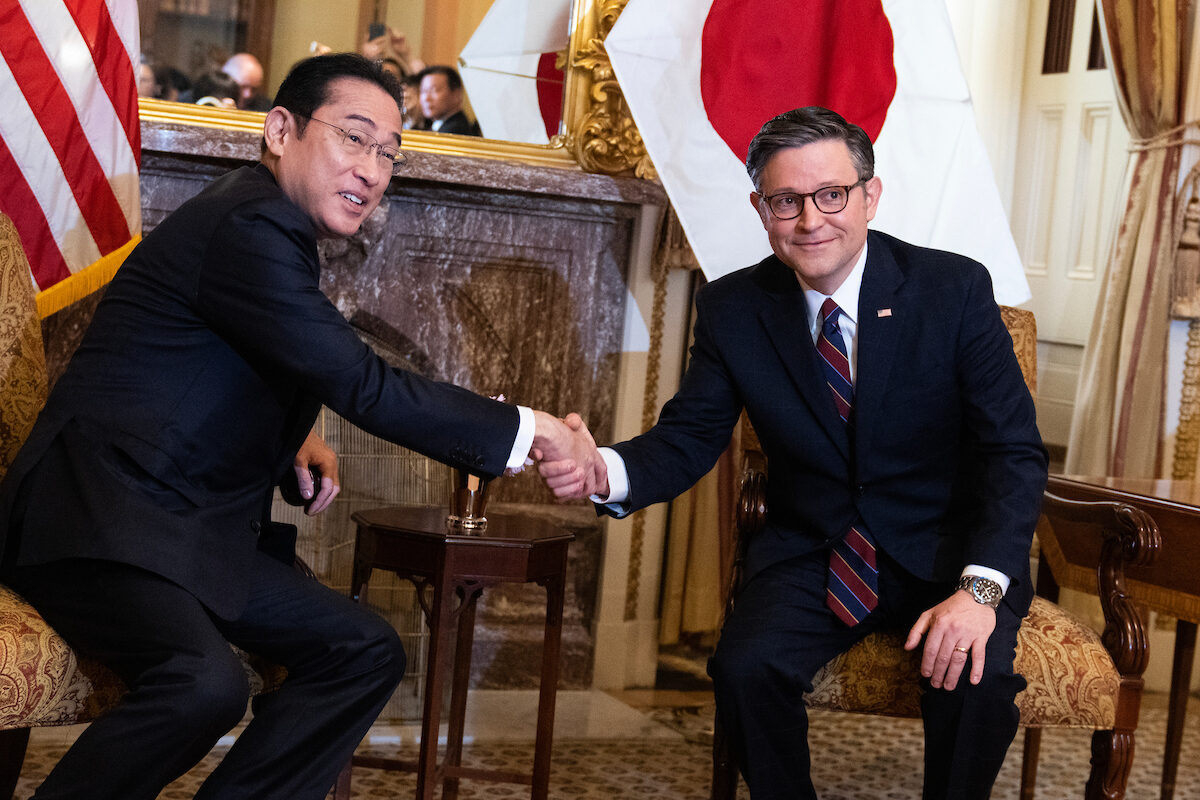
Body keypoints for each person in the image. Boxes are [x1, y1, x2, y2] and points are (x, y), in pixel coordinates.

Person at [0, 52, 602, 800]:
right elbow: (361, 380)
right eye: (354, 138)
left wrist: (291, 436)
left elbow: (214, 365)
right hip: (99, 520)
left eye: (389, 153)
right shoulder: (248, 223)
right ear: (280, 129)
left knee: (362, 649)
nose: (374, 171)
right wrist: (532, 429)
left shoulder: (269, 221)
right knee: (202, 684)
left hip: (182, 523)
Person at [541, 107, 1048, 799]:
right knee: (744, 669)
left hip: (947, 548)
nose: (811, 220)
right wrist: (602, 468)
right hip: (817, 551)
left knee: (974, 681)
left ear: (870, 196)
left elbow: (1012, 452)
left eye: (832, 195)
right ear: (761, 208)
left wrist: (980, 590)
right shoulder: (734, 308)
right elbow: (689, 437)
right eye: (787, 200)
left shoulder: (951, 290)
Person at [417, 65, 482, 136]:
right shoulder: (440, 126)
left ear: (456, 94)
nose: (426, 98)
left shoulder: (454, 132)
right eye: (423, 91)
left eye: (434, 90)